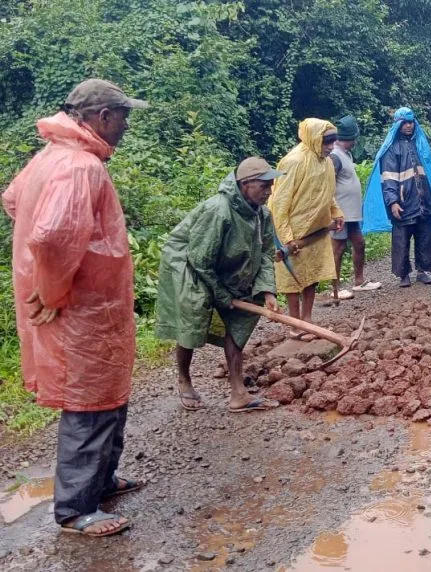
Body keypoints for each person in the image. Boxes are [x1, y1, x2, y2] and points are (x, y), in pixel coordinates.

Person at [2, 79, 148, 537]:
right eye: (123, 116)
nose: (126, 125)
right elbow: (51, 235)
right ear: (102, 116)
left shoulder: (52, 156)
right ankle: (75, 510)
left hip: (95, 307)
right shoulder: (81, 165)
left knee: (109, 400)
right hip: (82, 311)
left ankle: (101, 481)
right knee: (89, 406)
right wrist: (50, 290)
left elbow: (13, 201)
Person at [156, 157, 283, 413]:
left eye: (271, 186)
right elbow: (201, 260)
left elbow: (267, 254)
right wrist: (223, 296)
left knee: (242, 319)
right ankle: (184, 380)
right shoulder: (219, 210)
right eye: (264, 186)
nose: (269, 192)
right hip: (190, 264)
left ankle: (239, 393)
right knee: (193, 318)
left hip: (230, 267)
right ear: (245, 185)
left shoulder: (263, 215)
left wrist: (267, 290)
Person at [268, 118, 344, 340]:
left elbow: (328, 194)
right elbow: (279, 203)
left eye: (333, 142)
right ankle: (295, 324)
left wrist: (336, 212)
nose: (330, 147)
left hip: (316, 230)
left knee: (312, 275)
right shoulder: (293, 162)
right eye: (326, 142)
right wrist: (287, 237)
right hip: (293, 232)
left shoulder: (326, 162)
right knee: (293, 278)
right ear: (314, 139)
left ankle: (307, 319)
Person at [363, 107, 431, 287]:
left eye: (411, 122)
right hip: (403, 202)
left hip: (424, 202)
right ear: (398, 124)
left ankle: (422, 271)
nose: (409, 125)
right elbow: (388, 178)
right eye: (405, 122)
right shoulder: (391, 149)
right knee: (401, 241)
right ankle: (403, 274)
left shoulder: (421, 145)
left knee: (425, 237)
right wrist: (392, 201)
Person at [329, 115, 380, 302]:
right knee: (338, 249)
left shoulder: (346, 154)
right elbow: (328, 183)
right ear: (346, 138)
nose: (356, 141)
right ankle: (334, 289)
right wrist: (332, 212)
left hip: (351, 213)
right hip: (340, 213)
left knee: (359, 243)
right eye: (353, 138)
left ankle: (359, 281)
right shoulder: (334, 156)